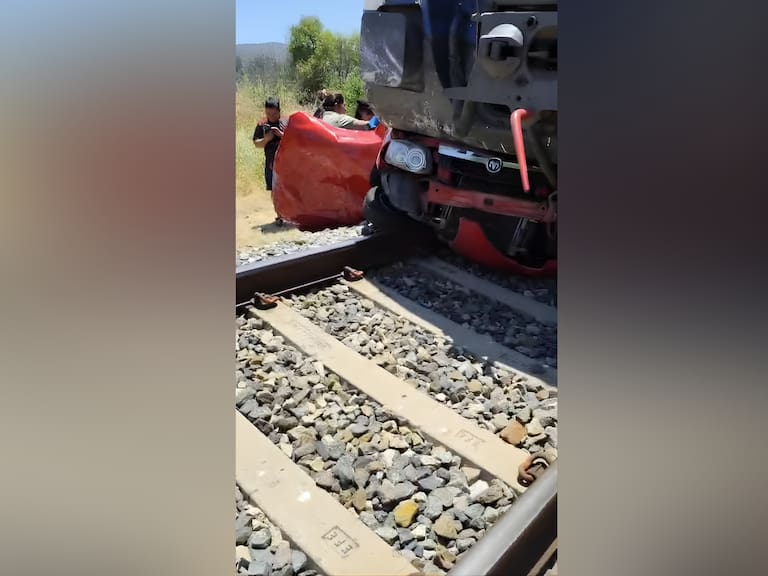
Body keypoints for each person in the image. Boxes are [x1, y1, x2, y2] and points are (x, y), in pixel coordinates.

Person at [252, 97, 287, 226]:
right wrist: (266, 139)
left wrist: (281, 135)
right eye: (268, 113)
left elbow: (296, 141)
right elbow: (257, 144)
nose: (270, 116)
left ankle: (292, 212)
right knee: (274, 189)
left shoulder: (286, 122)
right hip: (271, 163)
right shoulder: (262, 125)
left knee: (288, 188)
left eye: (273, 114)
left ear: (279, 111)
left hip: (288, 163)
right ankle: (280, 215)